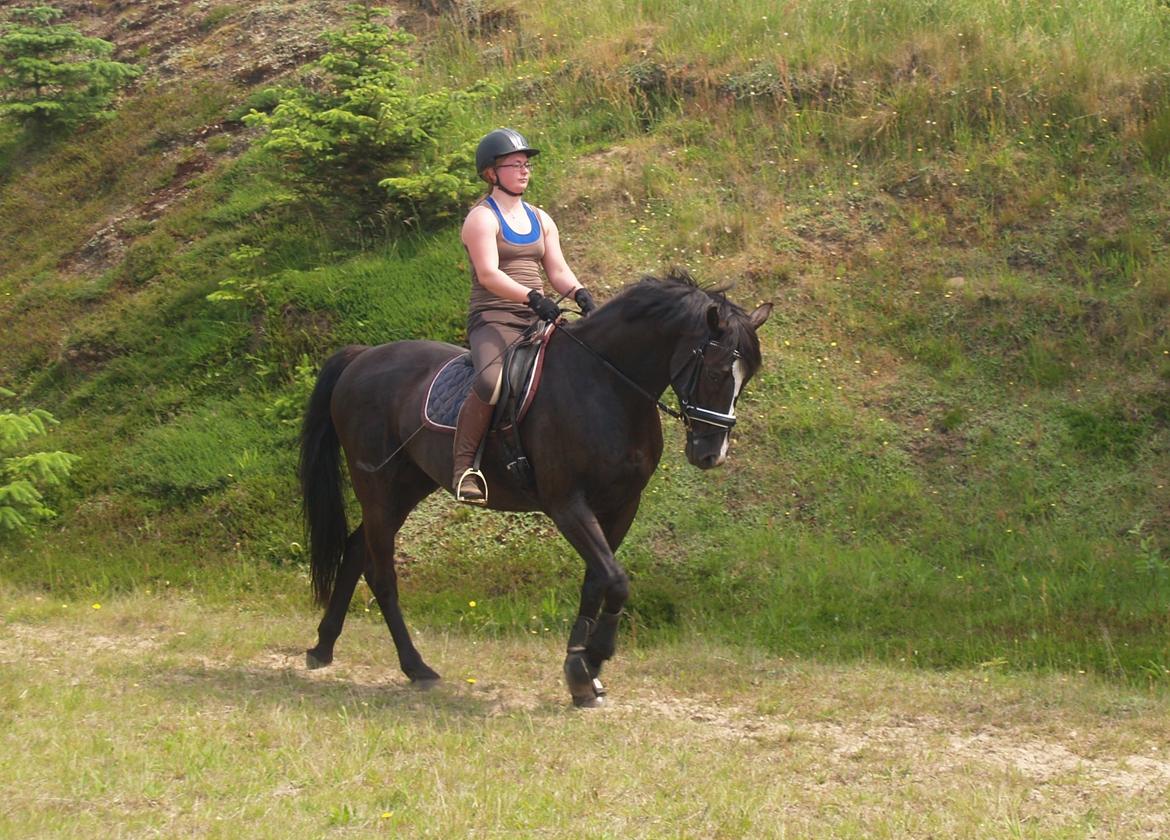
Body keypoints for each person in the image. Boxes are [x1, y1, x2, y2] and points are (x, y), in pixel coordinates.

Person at [453, 128, 597, 504]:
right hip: (494, 318)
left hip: (537, 317)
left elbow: (558, 271)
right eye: (514, 164)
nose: (524, 170)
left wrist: (581, 294)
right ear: (491, 173)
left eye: (526, 164)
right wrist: (532, 297)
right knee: (490, 382)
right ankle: (465, 467)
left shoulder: (540, 218)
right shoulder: (482, 219)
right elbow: (489, 274)